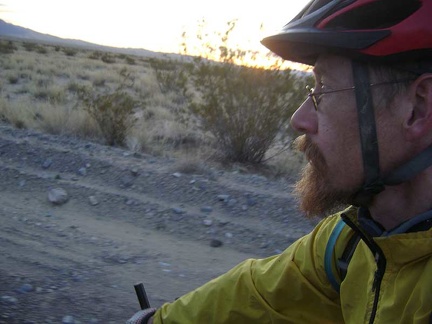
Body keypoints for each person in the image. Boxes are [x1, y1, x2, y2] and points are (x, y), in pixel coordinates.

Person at [127, 0, 432, 322]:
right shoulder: (351, 241)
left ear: (418, 109)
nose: (299, 119)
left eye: (325, 89)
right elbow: (255, 296)